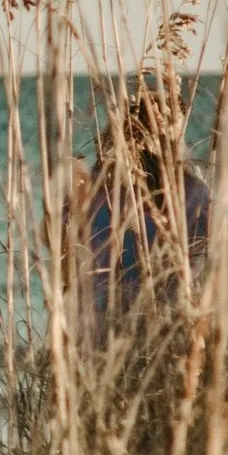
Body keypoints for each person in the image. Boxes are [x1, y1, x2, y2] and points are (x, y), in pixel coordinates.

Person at [78, 81, 212, 340]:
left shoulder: (94, 188)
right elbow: (203, 260)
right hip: (167, 326)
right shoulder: (193, 192)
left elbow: (58, 245)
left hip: (99, 329)